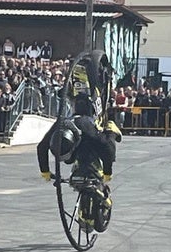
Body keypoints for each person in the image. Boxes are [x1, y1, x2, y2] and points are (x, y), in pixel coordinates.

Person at [36, 92, 122, 231]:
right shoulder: (85, 123)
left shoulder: (63, 121)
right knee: (103, 141)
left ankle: (112, 128)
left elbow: (42, 146)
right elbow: (107, 148)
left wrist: (45, 171)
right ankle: (111, 129)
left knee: (103, 141)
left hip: (85, 152)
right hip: (83, 152)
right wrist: (108, 172)